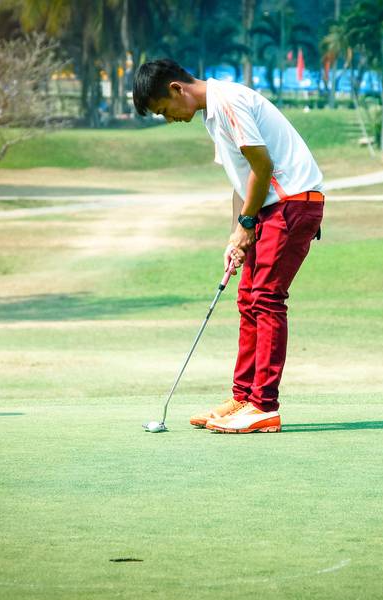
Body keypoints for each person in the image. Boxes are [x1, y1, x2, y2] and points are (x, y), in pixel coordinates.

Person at [133, 59, 324, 434]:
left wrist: (248, 223)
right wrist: (237, 235)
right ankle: (243, 398)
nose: (169, 119)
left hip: (292, 202)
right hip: (269, 207)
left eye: (164, 111)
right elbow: (241, 181)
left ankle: (263, 406)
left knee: (267, 297)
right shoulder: (212, 114)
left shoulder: (228, 102)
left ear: (176, 89)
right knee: (248, 297)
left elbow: (263, 166)